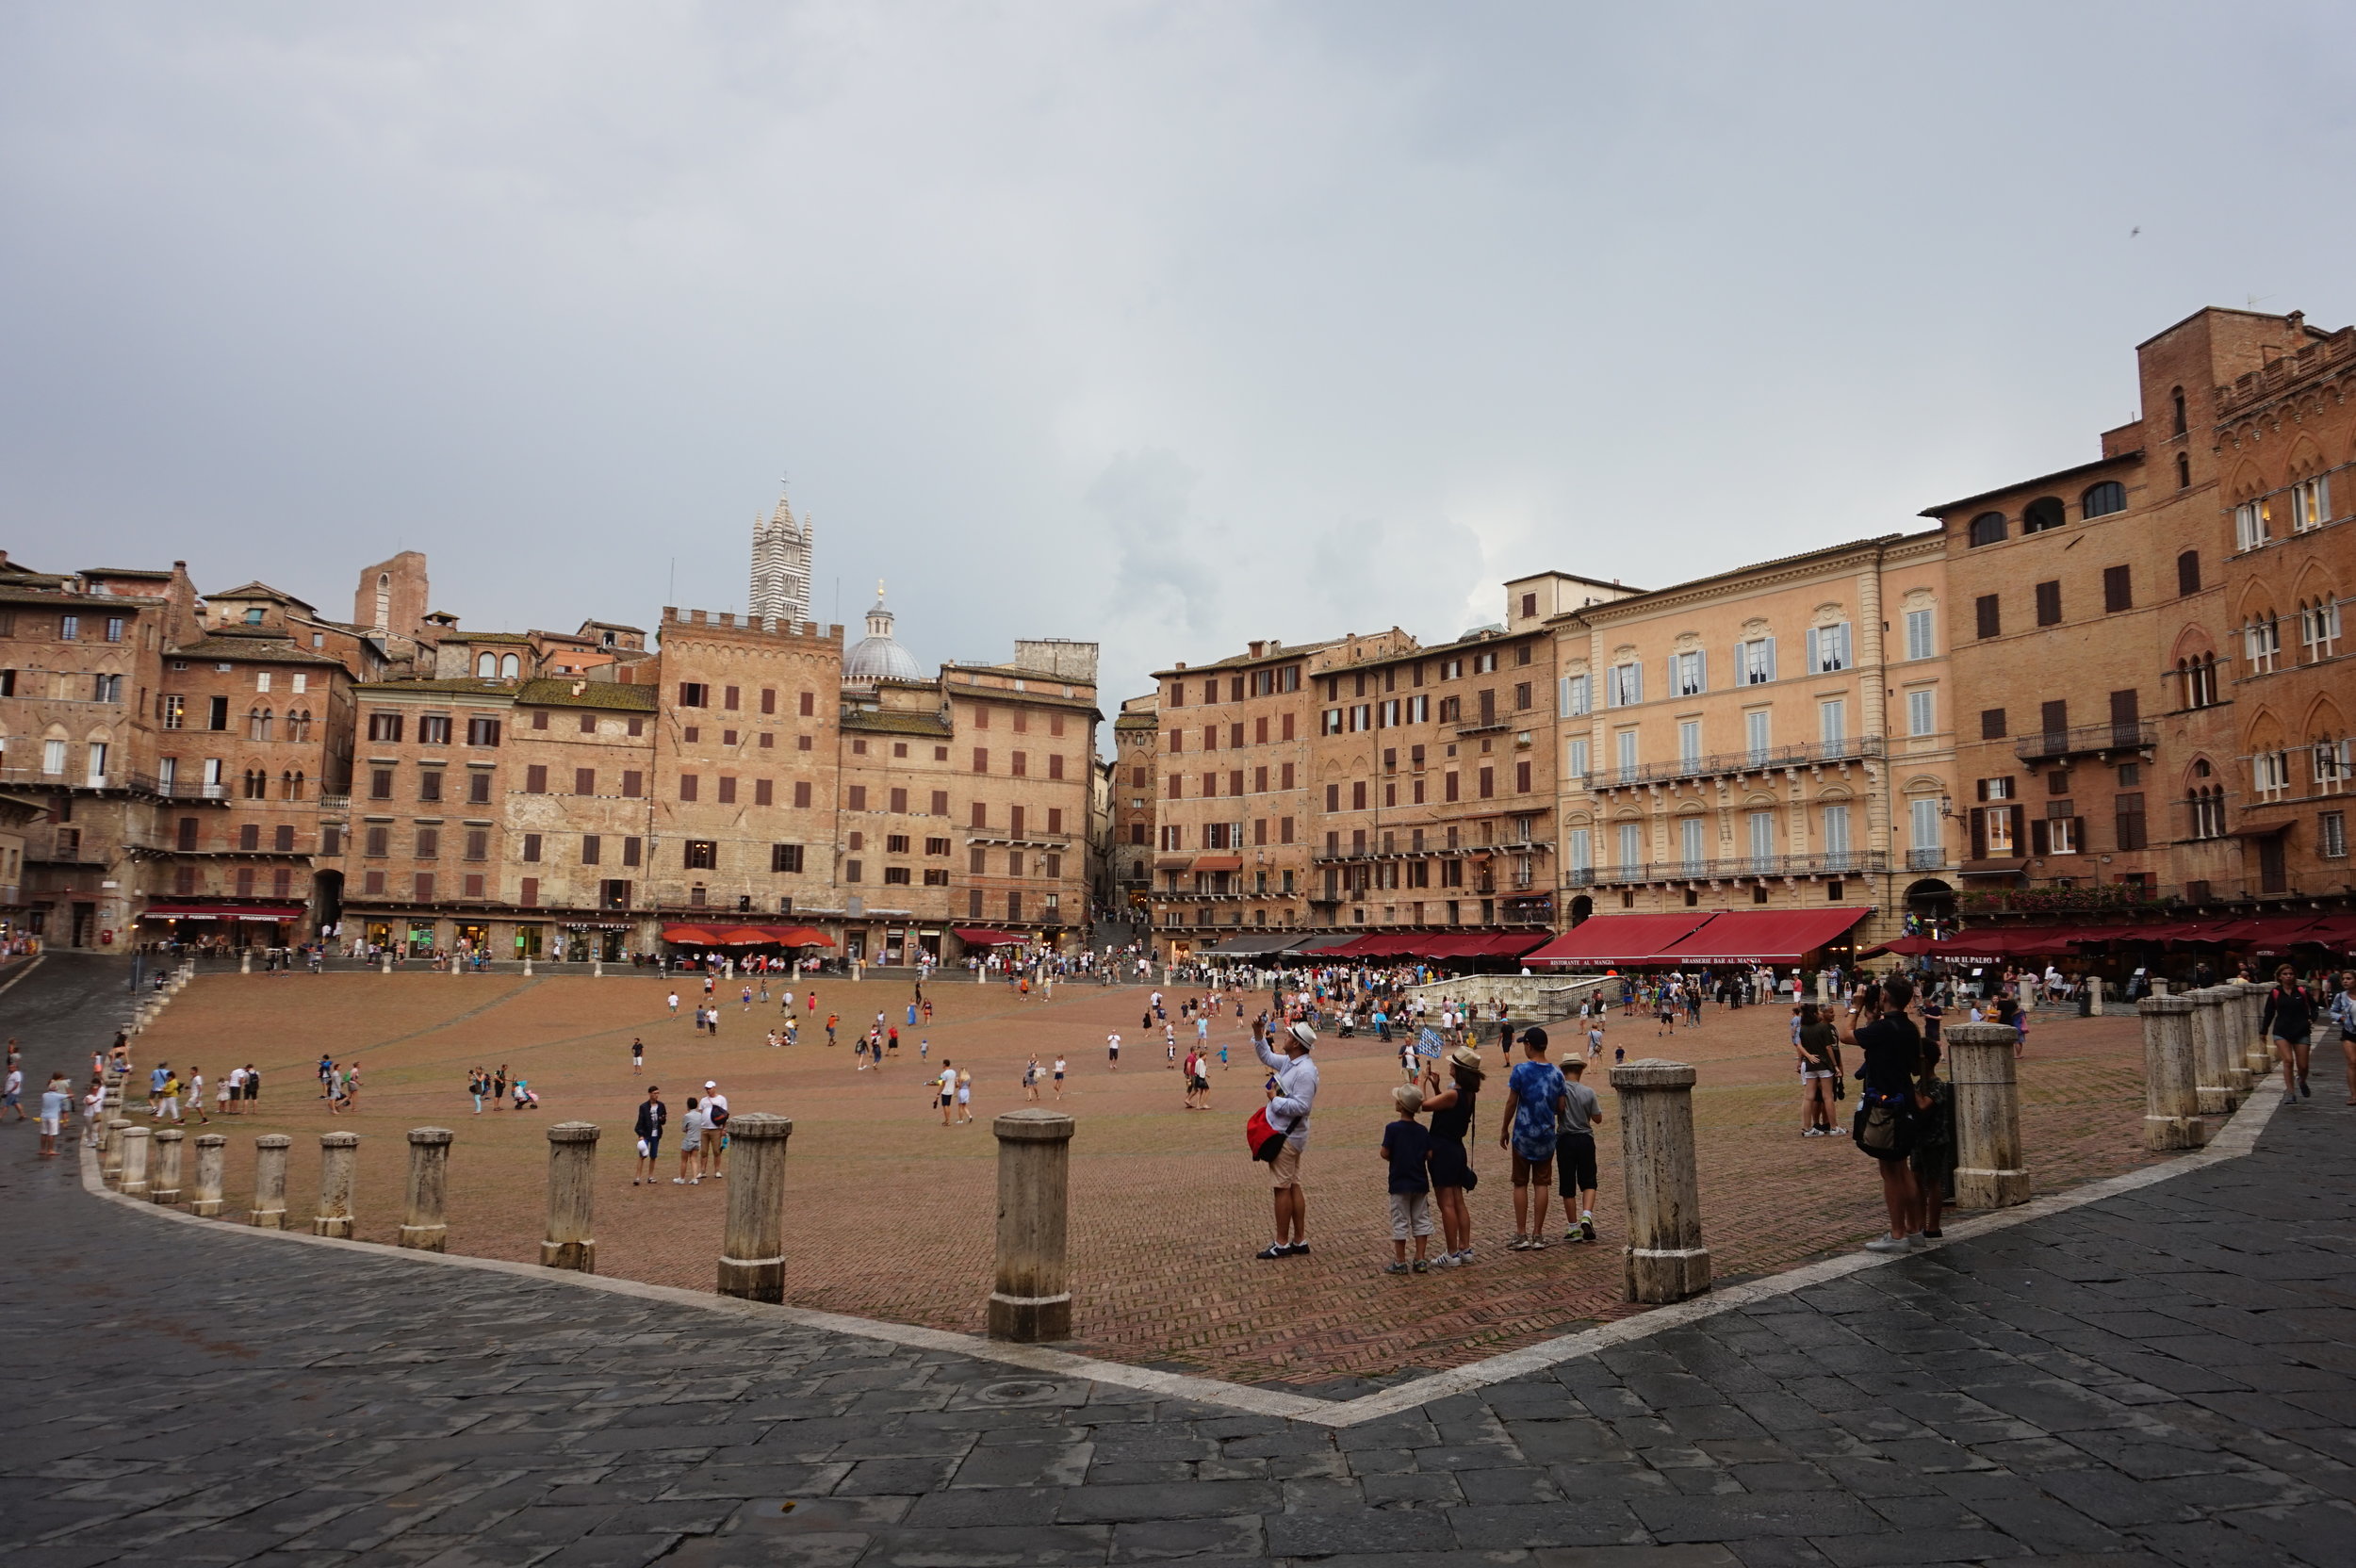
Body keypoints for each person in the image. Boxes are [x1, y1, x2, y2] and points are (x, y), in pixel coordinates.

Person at [1843, 977, 1927, 1253]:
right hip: (1906, 1098)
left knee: (1890, 1171)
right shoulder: (1910, 1027)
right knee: (1903, 1169)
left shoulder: (1882, 1029)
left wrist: (1855, 1007)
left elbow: (1845, 1035)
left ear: (1885, 998)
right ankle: (1915, 1229)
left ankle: (1897, 1234)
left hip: (1886, 1104)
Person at [1254, 1020, 1320, 1259]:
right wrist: (1257, 1034)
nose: (1286, 1036)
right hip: (1289, 1134)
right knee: (1292, 1184)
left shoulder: (1304, 1071)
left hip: (1286, 1136)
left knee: (1281, 1188)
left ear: (1296, 1044)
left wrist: (1275, 1099)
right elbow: (1267, 1057)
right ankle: (1299, 1239)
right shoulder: (1292, 1063)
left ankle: (1282, 1243)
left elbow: (1302, 1106)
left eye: (1290, 1035)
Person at [1498, 1026, 1566, 1250]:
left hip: (1523, 1135)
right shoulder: (1557, 1074)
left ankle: (1521, 1234)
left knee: (1520, 1183)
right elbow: (1561, 1107)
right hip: (1546, 1136)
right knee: (1542, 1183)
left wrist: (1504, 1128)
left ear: (1528, 1045)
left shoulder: (1520, 1071)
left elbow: (1511, 1102)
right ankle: (1538, 1234)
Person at [1421, 1043, 1482, 1267]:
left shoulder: (1453, 1094)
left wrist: (1422, 1082)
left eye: (1453, 1064)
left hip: (1442, 1150)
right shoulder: (1468, 1094)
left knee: (1446, 1203)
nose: (1450, 1066)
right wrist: (1438, 1088)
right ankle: (1465, 1248)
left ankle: (1452, 1252)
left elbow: (1423, 1105)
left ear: (1459, 1070)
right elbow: (1446, 1110)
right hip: (1457, 1149)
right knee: (1458, 1201)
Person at [1380, 1084, 1435, 1274]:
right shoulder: (1422, 1130)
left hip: (1399, 1181)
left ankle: (1400, 1260)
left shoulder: (1392, 1129)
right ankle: (1420, 1259)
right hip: (1419, 1180)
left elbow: (1384, 1152)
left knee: (1399, 1220)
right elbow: (1429, 1154)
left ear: (1401, 1106)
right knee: (1421, 1219)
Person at [1556, 1057, 1603, 1243]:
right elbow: (1598, 1118)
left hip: (1565, 1139)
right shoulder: (1588, 1092)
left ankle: (1573, 1227)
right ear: (1581, 1071)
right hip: (1585, 1139)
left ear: (1563, 1072)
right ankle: (1587, 1215)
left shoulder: (1559, 1092)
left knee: (1567, 1185)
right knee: (1589, 1181)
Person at [2261, 964, 2321, 1101]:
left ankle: (2302, 1080)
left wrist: (2312, 1019)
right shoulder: (2275, 993)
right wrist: (2263, 1031)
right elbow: (2269, 1012)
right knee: (2288, 1061)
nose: (2288, 976)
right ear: (2279, 977)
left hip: (2301, 1030)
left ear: (2295, 976)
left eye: (2291, 974)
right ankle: (2290, 1092)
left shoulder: (2301, 991)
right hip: (2282, 1031)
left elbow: (2314, 1007)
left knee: (2303, 1066)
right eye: (2285, 974)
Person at [1796, 1004, 1841, 1136]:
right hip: (1823, 1064)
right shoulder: (1823, 1027)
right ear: (1815, 1014)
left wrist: (1808, 1055)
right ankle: (1834, 1127)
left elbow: (1798, 1045)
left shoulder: (1802, 1029)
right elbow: (1828, 1048)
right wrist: (1835, 1065)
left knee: (1808, 1097)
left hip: (1810, 1065)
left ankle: (1806, 1128)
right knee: (1828, 1096)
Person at [633, 1086, 666, 1184]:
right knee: (642, 1155)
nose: (657, 1095)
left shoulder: (661, 1106)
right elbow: (640, 1122)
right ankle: (637, 1177)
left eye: (658, 1093)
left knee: (653, 1156)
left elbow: (664, 1121)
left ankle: (650, 1176)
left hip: (656, 1135)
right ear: (650, 1094)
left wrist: (662, 1119)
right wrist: (640, 1135)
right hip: (646, 1134)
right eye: (655, 1093)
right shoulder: (643, 1107)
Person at [39, 1072, 71, 1158]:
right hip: (53, 1117)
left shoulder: (44, 1095)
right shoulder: (58, 1096)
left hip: (44, 1116)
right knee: (51, 1134)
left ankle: (42, 1149)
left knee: (43, 1133)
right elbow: (70, 1095)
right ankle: (50, 1150)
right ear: (55, 1089)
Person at [676, 1095, 707, 1183]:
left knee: (684, 1160)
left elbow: (683, 1129)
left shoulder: (687, 1116)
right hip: (697, 1140)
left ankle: (681, 1178)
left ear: (688, 1105)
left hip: (689, 1140)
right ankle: (694, 1178)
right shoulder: (700, 1115)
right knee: (694, 1160)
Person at [702, 1082, 728, 1177]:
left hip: (716, 1129)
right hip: (704, 1128)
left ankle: (717, 1171)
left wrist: (724, 1128)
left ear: (714, 1088)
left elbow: (725, 1115)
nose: (708, 1090)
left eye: (709, 1088)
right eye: (706, 1089)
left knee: (716, 1151)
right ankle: (703, 1171)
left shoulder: (721, 1099)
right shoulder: (703, 1100)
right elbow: (700, 1113)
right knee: (704, 1151)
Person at [937, 1061, 958, 1125]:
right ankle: (947, 1119)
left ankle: (947, 1121)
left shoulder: (944, 1074)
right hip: (951, 1090)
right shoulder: (953, 1072)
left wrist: (938, 1093)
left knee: (945, 1106)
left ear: (944, 1064)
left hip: (945, 1091)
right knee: (948, 1105)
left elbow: (941, 1084)